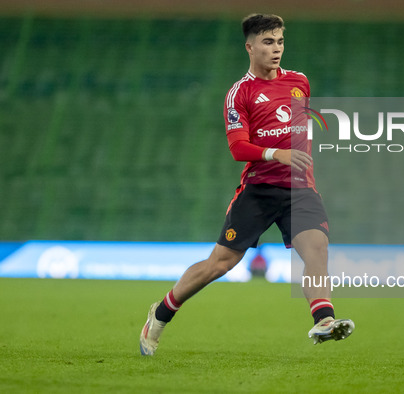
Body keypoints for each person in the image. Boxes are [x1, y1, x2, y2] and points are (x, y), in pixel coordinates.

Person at [140, 13, 354, 356]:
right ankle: (161, 314)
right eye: (268, 42)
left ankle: (324, 319)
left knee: (316, 250)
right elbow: (239, 147)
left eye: (280, 41)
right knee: (220, 264)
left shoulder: (300, 81)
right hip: (258, 190)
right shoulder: (239, 94)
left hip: (300, 189)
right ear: (250, 47)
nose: (276, 49)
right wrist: (276, 154)